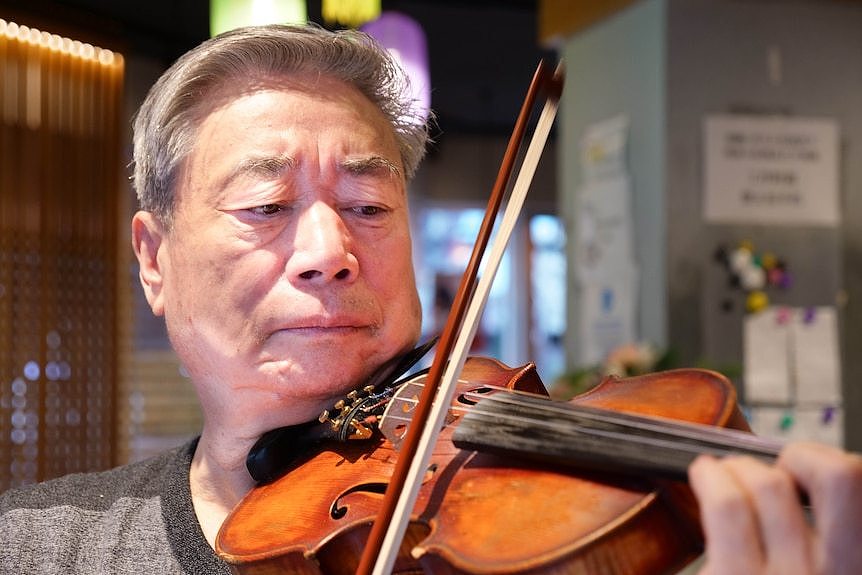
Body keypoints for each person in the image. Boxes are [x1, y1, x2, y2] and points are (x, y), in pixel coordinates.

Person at [0, 23, 859, 575]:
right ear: (154, 259)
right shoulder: (42, 546)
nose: (330, 252)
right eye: (266, 207)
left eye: (370, 208)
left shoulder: (547, 542)